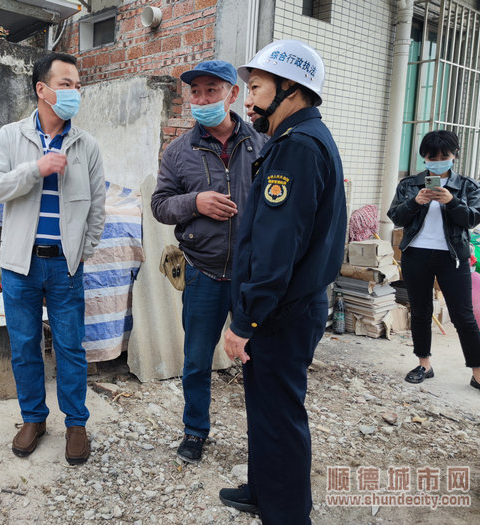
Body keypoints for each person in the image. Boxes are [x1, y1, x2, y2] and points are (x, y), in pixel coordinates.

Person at [218, 40, 347, 524]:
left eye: (254, 87)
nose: (246, 100)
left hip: (280, 311)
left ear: (290, 88)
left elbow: (275, 251)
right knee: (267, 408)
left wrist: (245, 319)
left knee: (280, 414)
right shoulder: (302, 139)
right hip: (289, 305)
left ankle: (288, 513)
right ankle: (264, 489)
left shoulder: (296, 148)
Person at [0, 52, 106, 464]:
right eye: (65, 84)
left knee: (71, 348)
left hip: (65, 267)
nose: (74, 92)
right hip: (21, 266)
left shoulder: (87, 146)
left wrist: (80, 256)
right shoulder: (10, 137)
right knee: (24, 347)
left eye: (77, 85)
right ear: (42, 89)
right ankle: (33, 418)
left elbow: (98, 210)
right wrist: (36, 169)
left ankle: (76, 424)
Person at [151, 60, 266, 463]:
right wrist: (195, 203)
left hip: (253, 277)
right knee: (197, 360)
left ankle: (263, 438)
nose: (201, 99)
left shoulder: (262, 144)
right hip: (203, 271)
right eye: (195, 92)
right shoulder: (179, 151)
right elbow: (160, 206)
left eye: (211, 91)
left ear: (232, 94)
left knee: (259, 361)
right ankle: (195, 431)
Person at [387, 130, 480, 402]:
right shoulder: (410, 184)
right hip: (416, 255)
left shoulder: (467, 186)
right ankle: (424, 364)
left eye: (443, 156)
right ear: (423, 158)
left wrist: (452, 201)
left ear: (454, 155)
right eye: (431, 157)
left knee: (464, 316)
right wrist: (415, 202)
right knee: (422, 311)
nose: (437, 161)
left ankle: (479, 374)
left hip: (453, 257)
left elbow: (474, 219)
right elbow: (395, 217)